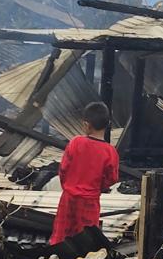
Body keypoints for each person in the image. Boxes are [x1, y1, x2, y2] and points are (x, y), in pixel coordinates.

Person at [51, 102, 119, 245]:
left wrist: (68, 186)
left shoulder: (76, 142)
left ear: (86, 125)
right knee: (86, 240)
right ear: (108, 124)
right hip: (89, 202)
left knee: (61, 236)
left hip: (68, 198)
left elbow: (63, 169)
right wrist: (97, 187)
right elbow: (111, 178)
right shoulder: (110, 151)